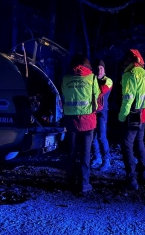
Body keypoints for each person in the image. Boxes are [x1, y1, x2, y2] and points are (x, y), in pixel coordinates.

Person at [61, 53, 100, 193]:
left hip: (71, 121)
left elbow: (63, 97)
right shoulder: (92, 77)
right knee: (85, 152)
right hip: (88, 122)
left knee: (71, 151)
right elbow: (96, 100)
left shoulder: (65, 78)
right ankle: (84, 183)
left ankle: (70, 180)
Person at [118, 49, 145, 190]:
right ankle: (144, 177)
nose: (124, 62)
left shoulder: (129, 75)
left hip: (132, 116)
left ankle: (131, 180)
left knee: (127, 146)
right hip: (144, 115)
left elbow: (128, 99)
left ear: (131, 61)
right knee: (139, 144)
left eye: (126, 59)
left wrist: (121, 117)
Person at [90, 59, 113, 171]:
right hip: (91, 111)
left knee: (101, 136)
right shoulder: (92, 79)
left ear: (104, 69)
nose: (99, 70)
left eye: (101, 68)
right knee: (93, 137)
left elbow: (101, 91)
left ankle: (106, 160)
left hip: (101, 112)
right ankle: (97, 158)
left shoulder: (108, 81)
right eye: (98, 68)